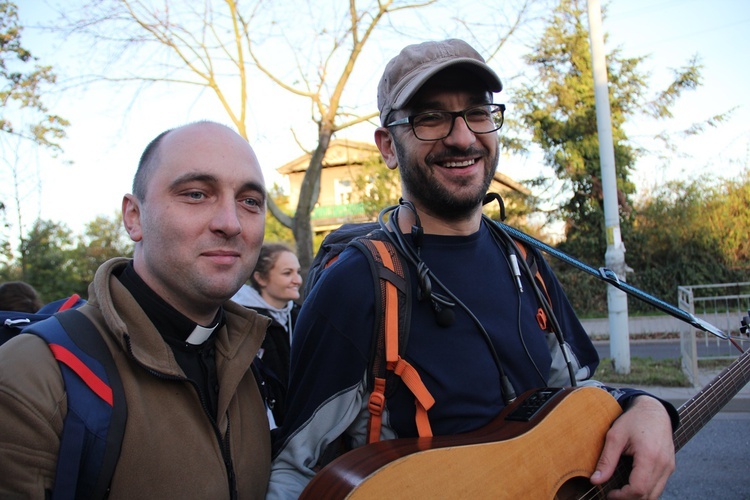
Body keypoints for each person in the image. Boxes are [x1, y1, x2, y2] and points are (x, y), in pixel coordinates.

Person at [268, 39, 678, 499]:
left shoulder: (525, 262)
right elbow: (292, 471)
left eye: (477, 113)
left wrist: (646, 406)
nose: (462, 137)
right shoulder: (358, 283)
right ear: (387, 146)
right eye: (430, 117)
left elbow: (580, 399)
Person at [0, 121, 272, 498]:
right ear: (134, 217)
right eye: (195, 194)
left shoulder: (256, 359)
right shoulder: (34, 377)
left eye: (250, 201)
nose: (230, 222)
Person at [232, 243, 303, 428]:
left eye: (298, 272)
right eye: (287, 273)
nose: (297, 280)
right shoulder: (241, 322)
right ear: (261, 278)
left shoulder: (300, 316)